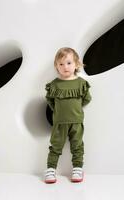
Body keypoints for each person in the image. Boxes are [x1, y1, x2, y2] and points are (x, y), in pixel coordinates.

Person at [44, 47, 91, 183]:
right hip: (59, 122)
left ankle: (77, 168)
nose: (65, 67)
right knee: (55, 146)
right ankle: (51, 170)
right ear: (56, 66)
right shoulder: (55, 85)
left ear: (76, 64)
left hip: (76, 121)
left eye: (69, 63)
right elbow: (50, 100)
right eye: (61, 64)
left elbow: (87, 99)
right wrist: (58, 111)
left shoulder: (81, 83)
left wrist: (75, 108)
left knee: (77, 145)